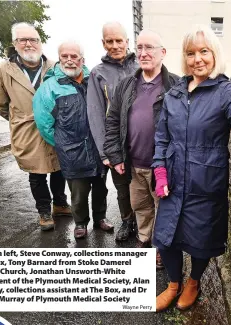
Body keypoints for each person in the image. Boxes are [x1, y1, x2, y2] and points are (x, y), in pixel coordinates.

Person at [152, 25, 231, 312]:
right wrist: (160, 173)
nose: (197, 59)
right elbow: (161, 139)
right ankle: (173, 284)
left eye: (203, 51)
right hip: (172, 181)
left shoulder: (226, 92)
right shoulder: (173, 95)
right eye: (191, 53)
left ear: (214, 54)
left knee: (200, 241)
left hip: (205, 183)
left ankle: (193, 282)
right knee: (166, 238)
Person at [104, 29, 179, 267]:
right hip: (133, 163)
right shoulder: (126, 85)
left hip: (162, 165)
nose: (143, 53)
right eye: (140, 48)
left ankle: (160, 246)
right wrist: (115, 156)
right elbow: (112, 121)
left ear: (163, 53)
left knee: (162, 208)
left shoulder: (175, 85)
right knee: (140, 205)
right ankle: (144, 237)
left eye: (149, 48)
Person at [0, 22, 71, 231]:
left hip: (55, 128)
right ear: (15, 44)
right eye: (23, 40)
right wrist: (17, 117)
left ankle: (60, 203)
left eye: (33, 40)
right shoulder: (2, 71)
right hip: (26, 130)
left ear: (40, 43)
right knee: (37, 173)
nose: (29, 44)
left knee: (59, 168)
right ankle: (44, 210)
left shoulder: (55, 67)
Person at [33, 41, 113, 239]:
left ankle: (100, 218)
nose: (69, 60)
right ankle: (80, 223)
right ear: (59, 59)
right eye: (64, 56)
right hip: (72, 153)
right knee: (78, 194)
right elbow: (44, 125)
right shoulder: (49, 88)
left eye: (74, 56)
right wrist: (62, 143)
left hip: (98, 149)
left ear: (82, 59)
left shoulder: (94, 81)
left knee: (101, 188)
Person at [87, 22, 139, 242]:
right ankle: (127, 221)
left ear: (127, 41)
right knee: (123, 187)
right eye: (110, 41)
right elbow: (95, 113)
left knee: (146, 185)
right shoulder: (98, 73)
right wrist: (105, 151)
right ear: (103, 43)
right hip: (115, 142)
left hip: (140, 139)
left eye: (119, 40)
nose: (115, 45)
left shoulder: (141, 65)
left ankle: (147, 223)